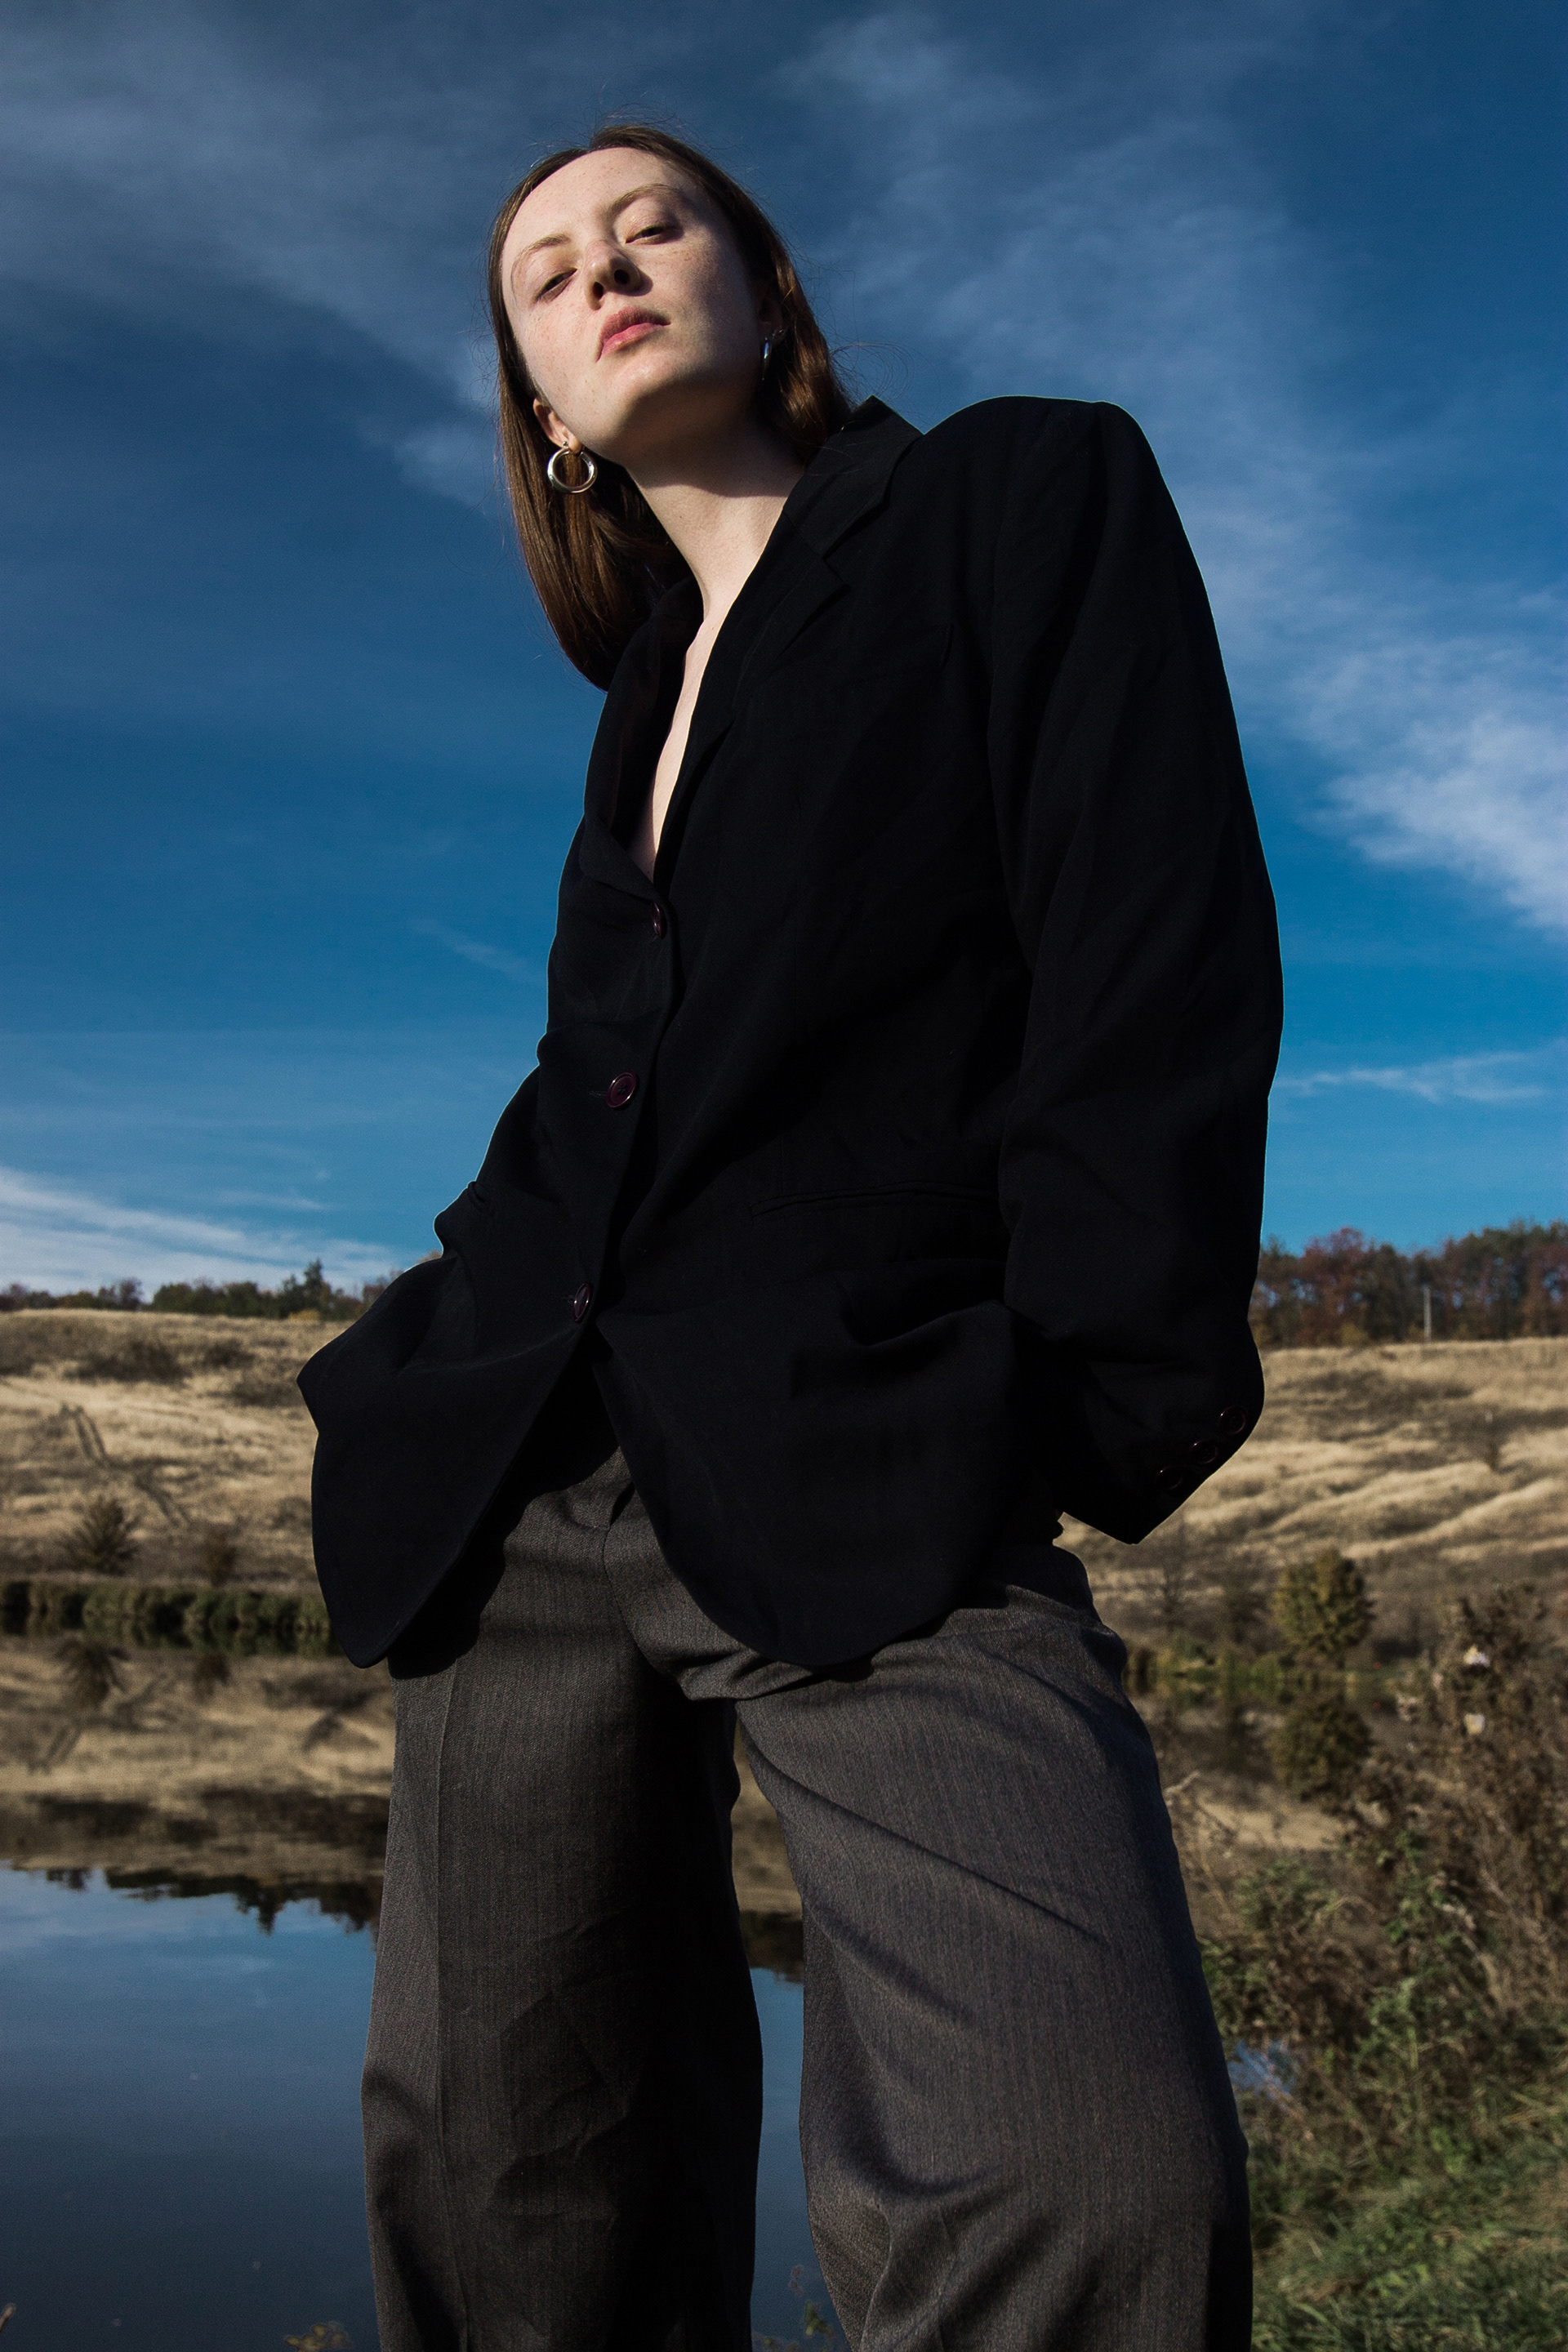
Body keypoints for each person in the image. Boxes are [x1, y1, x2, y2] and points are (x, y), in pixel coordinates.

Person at [299, 122, 1281, 2352]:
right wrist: (423, 1351)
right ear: (542, 406)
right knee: (514, 2220)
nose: (606, 268)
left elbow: (1154, 943)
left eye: (656, 225)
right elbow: (596, 1089)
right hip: (522, 1490)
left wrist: (1077, 1396)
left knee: (1087, 2177)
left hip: (880, 1437)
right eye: (547, 272)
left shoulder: (1018, 496)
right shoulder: (634, 714)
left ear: (768, 290)